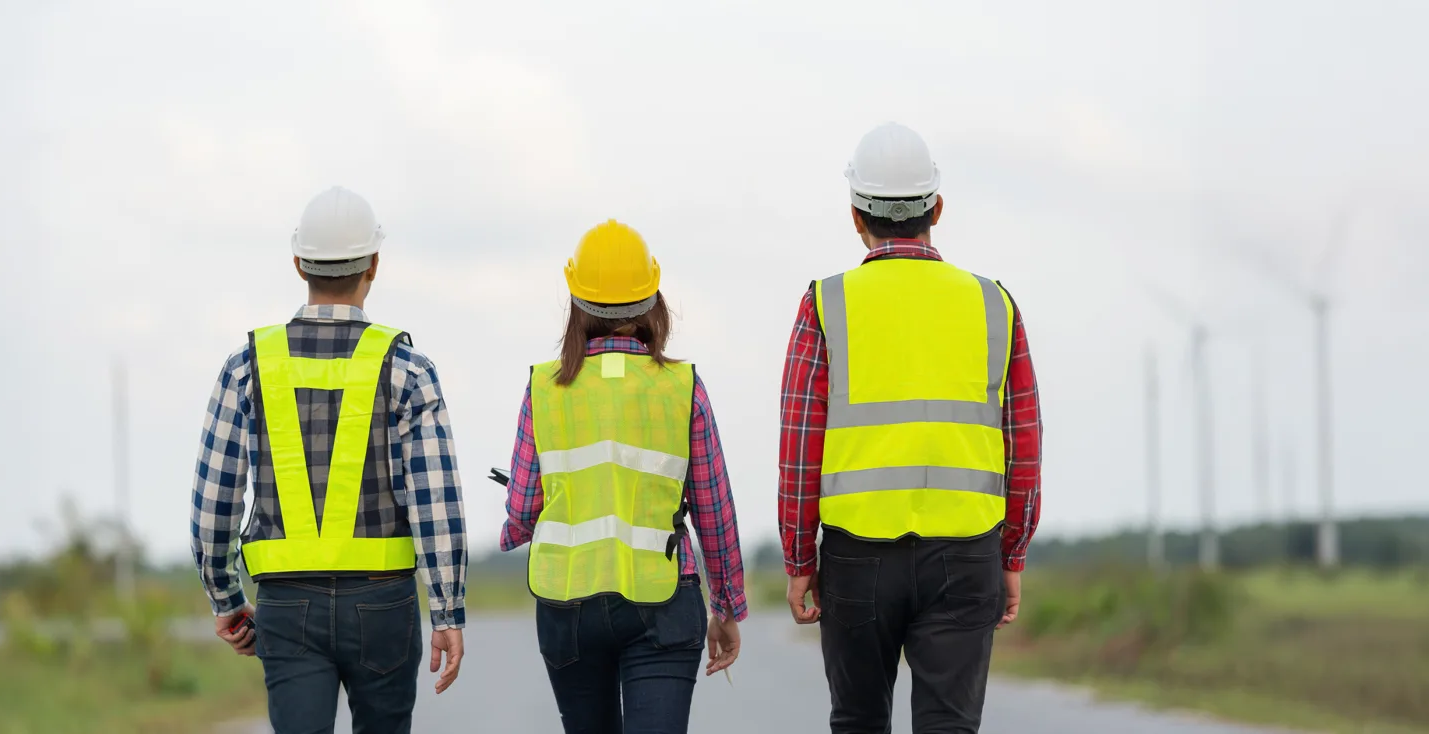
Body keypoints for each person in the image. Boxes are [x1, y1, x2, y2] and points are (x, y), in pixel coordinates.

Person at [777, 123, 1044, 733]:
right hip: (966, 551)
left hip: (855, 558)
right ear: (937, 208)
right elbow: (1021, 442)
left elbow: (800, 445)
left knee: (859, 721)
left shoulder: (826, 303)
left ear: (854, 215)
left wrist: (798, 560)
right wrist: (1012, 553)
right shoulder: (994, 303)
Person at [190, 186, 469, 734]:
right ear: (375, 265)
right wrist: (447, 610)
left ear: (298, 263)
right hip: (384, 604)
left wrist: (226, 598)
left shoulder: (247, 366)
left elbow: (214, 503)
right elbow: (437, 505)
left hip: (287, 607)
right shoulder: (408, 369)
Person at [500, 220, 749, 734]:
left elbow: (524, 507)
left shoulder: (544, 390)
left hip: (569, 607)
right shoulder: (683, 389)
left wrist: (513, 532)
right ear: (651, 299)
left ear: (576, 301)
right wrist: (726, 604)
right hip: (661, 603)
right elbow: (714, 510)